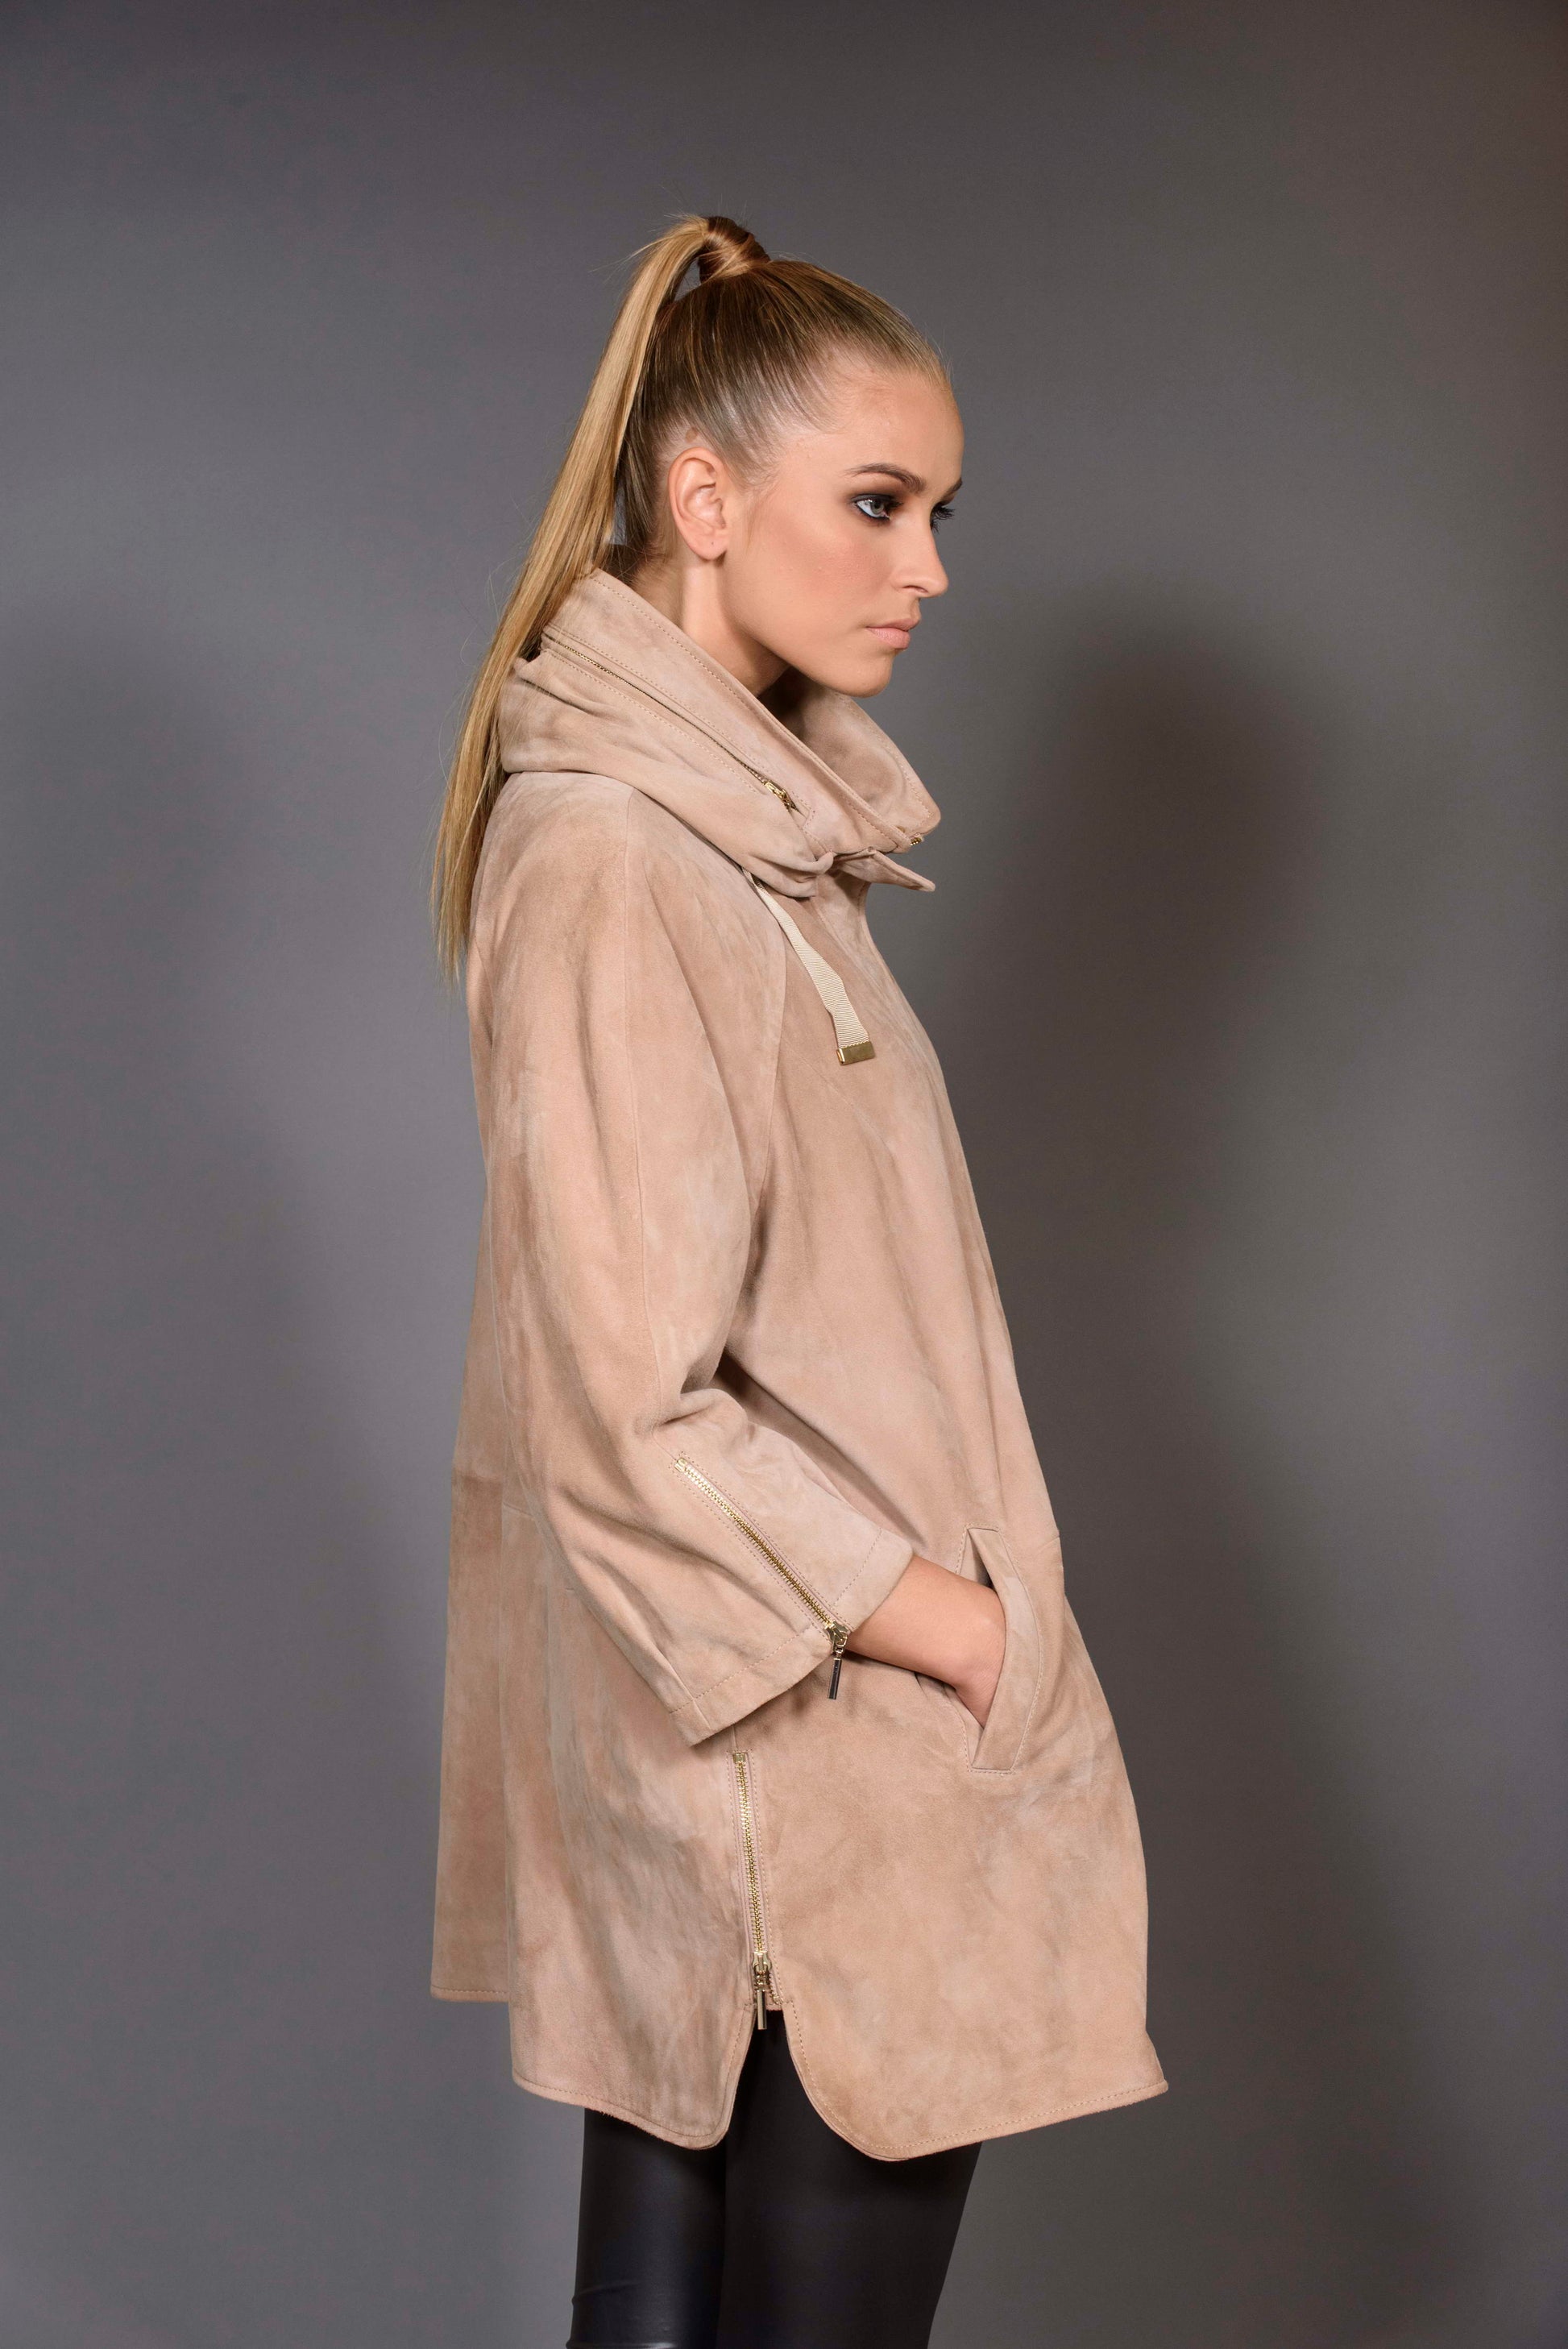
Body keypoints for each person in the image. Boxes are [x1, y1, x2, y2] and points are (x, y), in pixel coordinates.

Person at [429, 214, 1165, 2349]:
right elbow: (627, 1396)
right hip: (801, 1746)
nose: (924, 564)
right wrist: (951, 1626)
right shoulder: (621, 857)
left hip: (752, 1738)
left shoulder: (744, 847)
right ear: (703, 499)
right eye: (876, 502)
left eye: (939, 512)